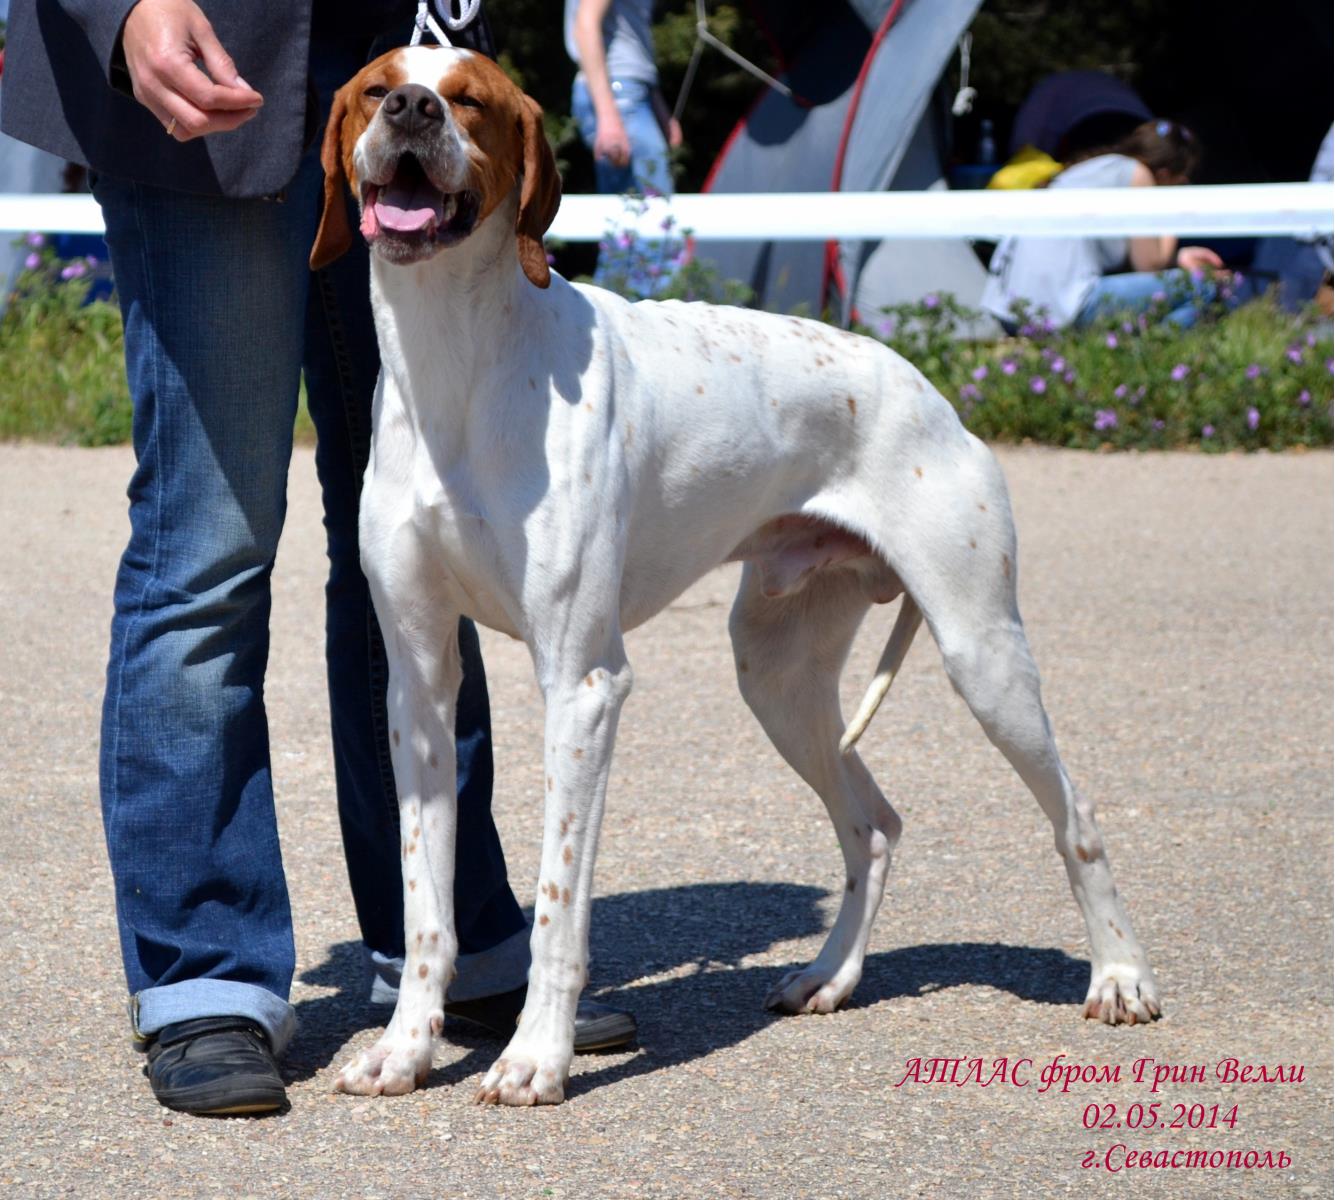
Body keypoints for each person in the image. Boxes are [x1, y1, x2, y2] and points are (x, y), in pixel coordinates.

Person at [0, 0, 632, 1117]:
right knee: (208, 544)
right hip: (202, 52)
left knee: (420, 549)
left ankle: (447, 942)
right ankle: (205, 974)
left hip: (399, 41)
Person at [982, 119, 1225, 332]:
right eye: (1180, 183)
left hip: (1014, 312)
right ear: (1163, 174)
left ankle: (1140, 350)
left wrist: (1179, 257)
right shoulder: (1138, 174)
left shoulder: (1098, 168)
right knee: (1204, 288)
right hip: (1061, 310)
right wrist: (1171, 209)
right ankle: (1153, 356)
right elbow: (1149, 264)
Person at [565, 0, 681, 290]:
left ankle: (617, 307)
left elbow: (634, 43)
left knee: (627, 229)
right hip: (619, 95)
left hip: (631, 93)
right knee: (655, 225)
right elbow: (585, 27)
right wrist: (608, 115)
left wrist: (659, 109)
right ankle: (644, 310)